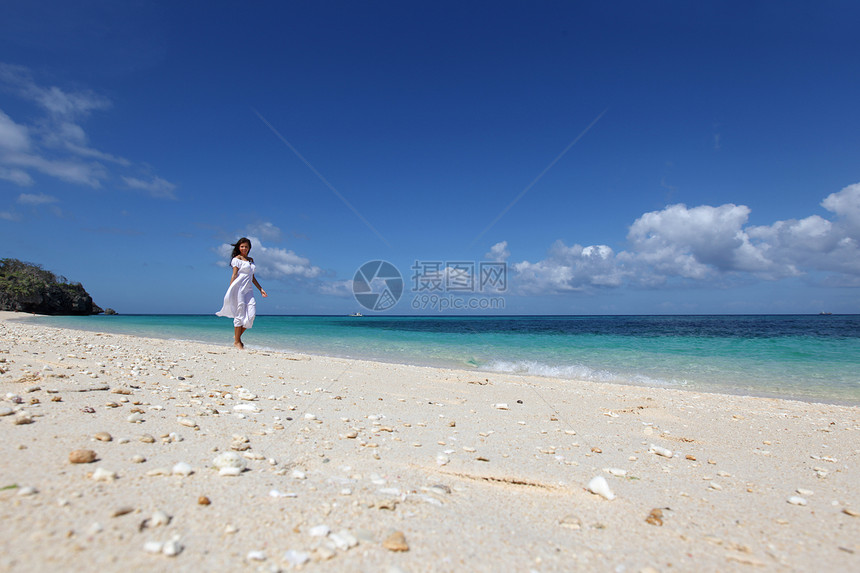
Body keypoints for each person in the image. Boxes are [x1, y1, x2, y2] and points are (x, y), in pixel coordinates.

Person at [216, 238, 267, 349]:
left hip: (249, 290)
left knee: (251, 315)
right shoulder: (236, 259)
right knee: (239, 314)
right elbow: (234, 275)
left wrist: (260, 289)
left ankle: (237, 336)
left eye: (246, 247)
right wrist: (230, 290)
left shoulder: (251, 260)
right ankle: (237, 342)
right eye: (242, 246)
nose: (244, 248)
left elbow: (252, 277)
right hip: (238, 289)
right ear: (239, 247)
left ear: (249, 248)